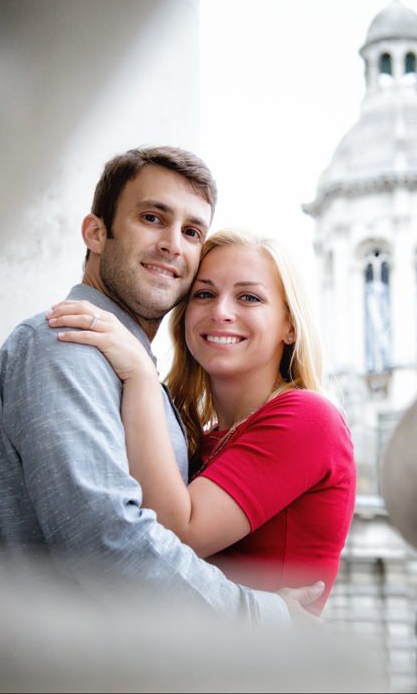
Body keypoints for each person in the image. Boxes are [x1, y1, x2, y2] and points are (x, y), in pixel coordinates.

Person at [0, 146, 322, 623]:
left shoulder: (125, 367)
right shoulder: (66, 345)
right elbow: (106, 542)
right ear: (96, 233)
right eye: (152, 217)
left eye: (192, 231)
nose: (173, 244)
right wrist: (267, 617)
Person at [46, 229, 356, 615]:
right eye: (204, 294)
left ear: (289, 326)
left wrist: (140, 375)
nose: (221, 311)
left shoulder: (310, 418)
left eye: (249, 297)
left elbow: (173, 536)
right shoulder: (203, 439)